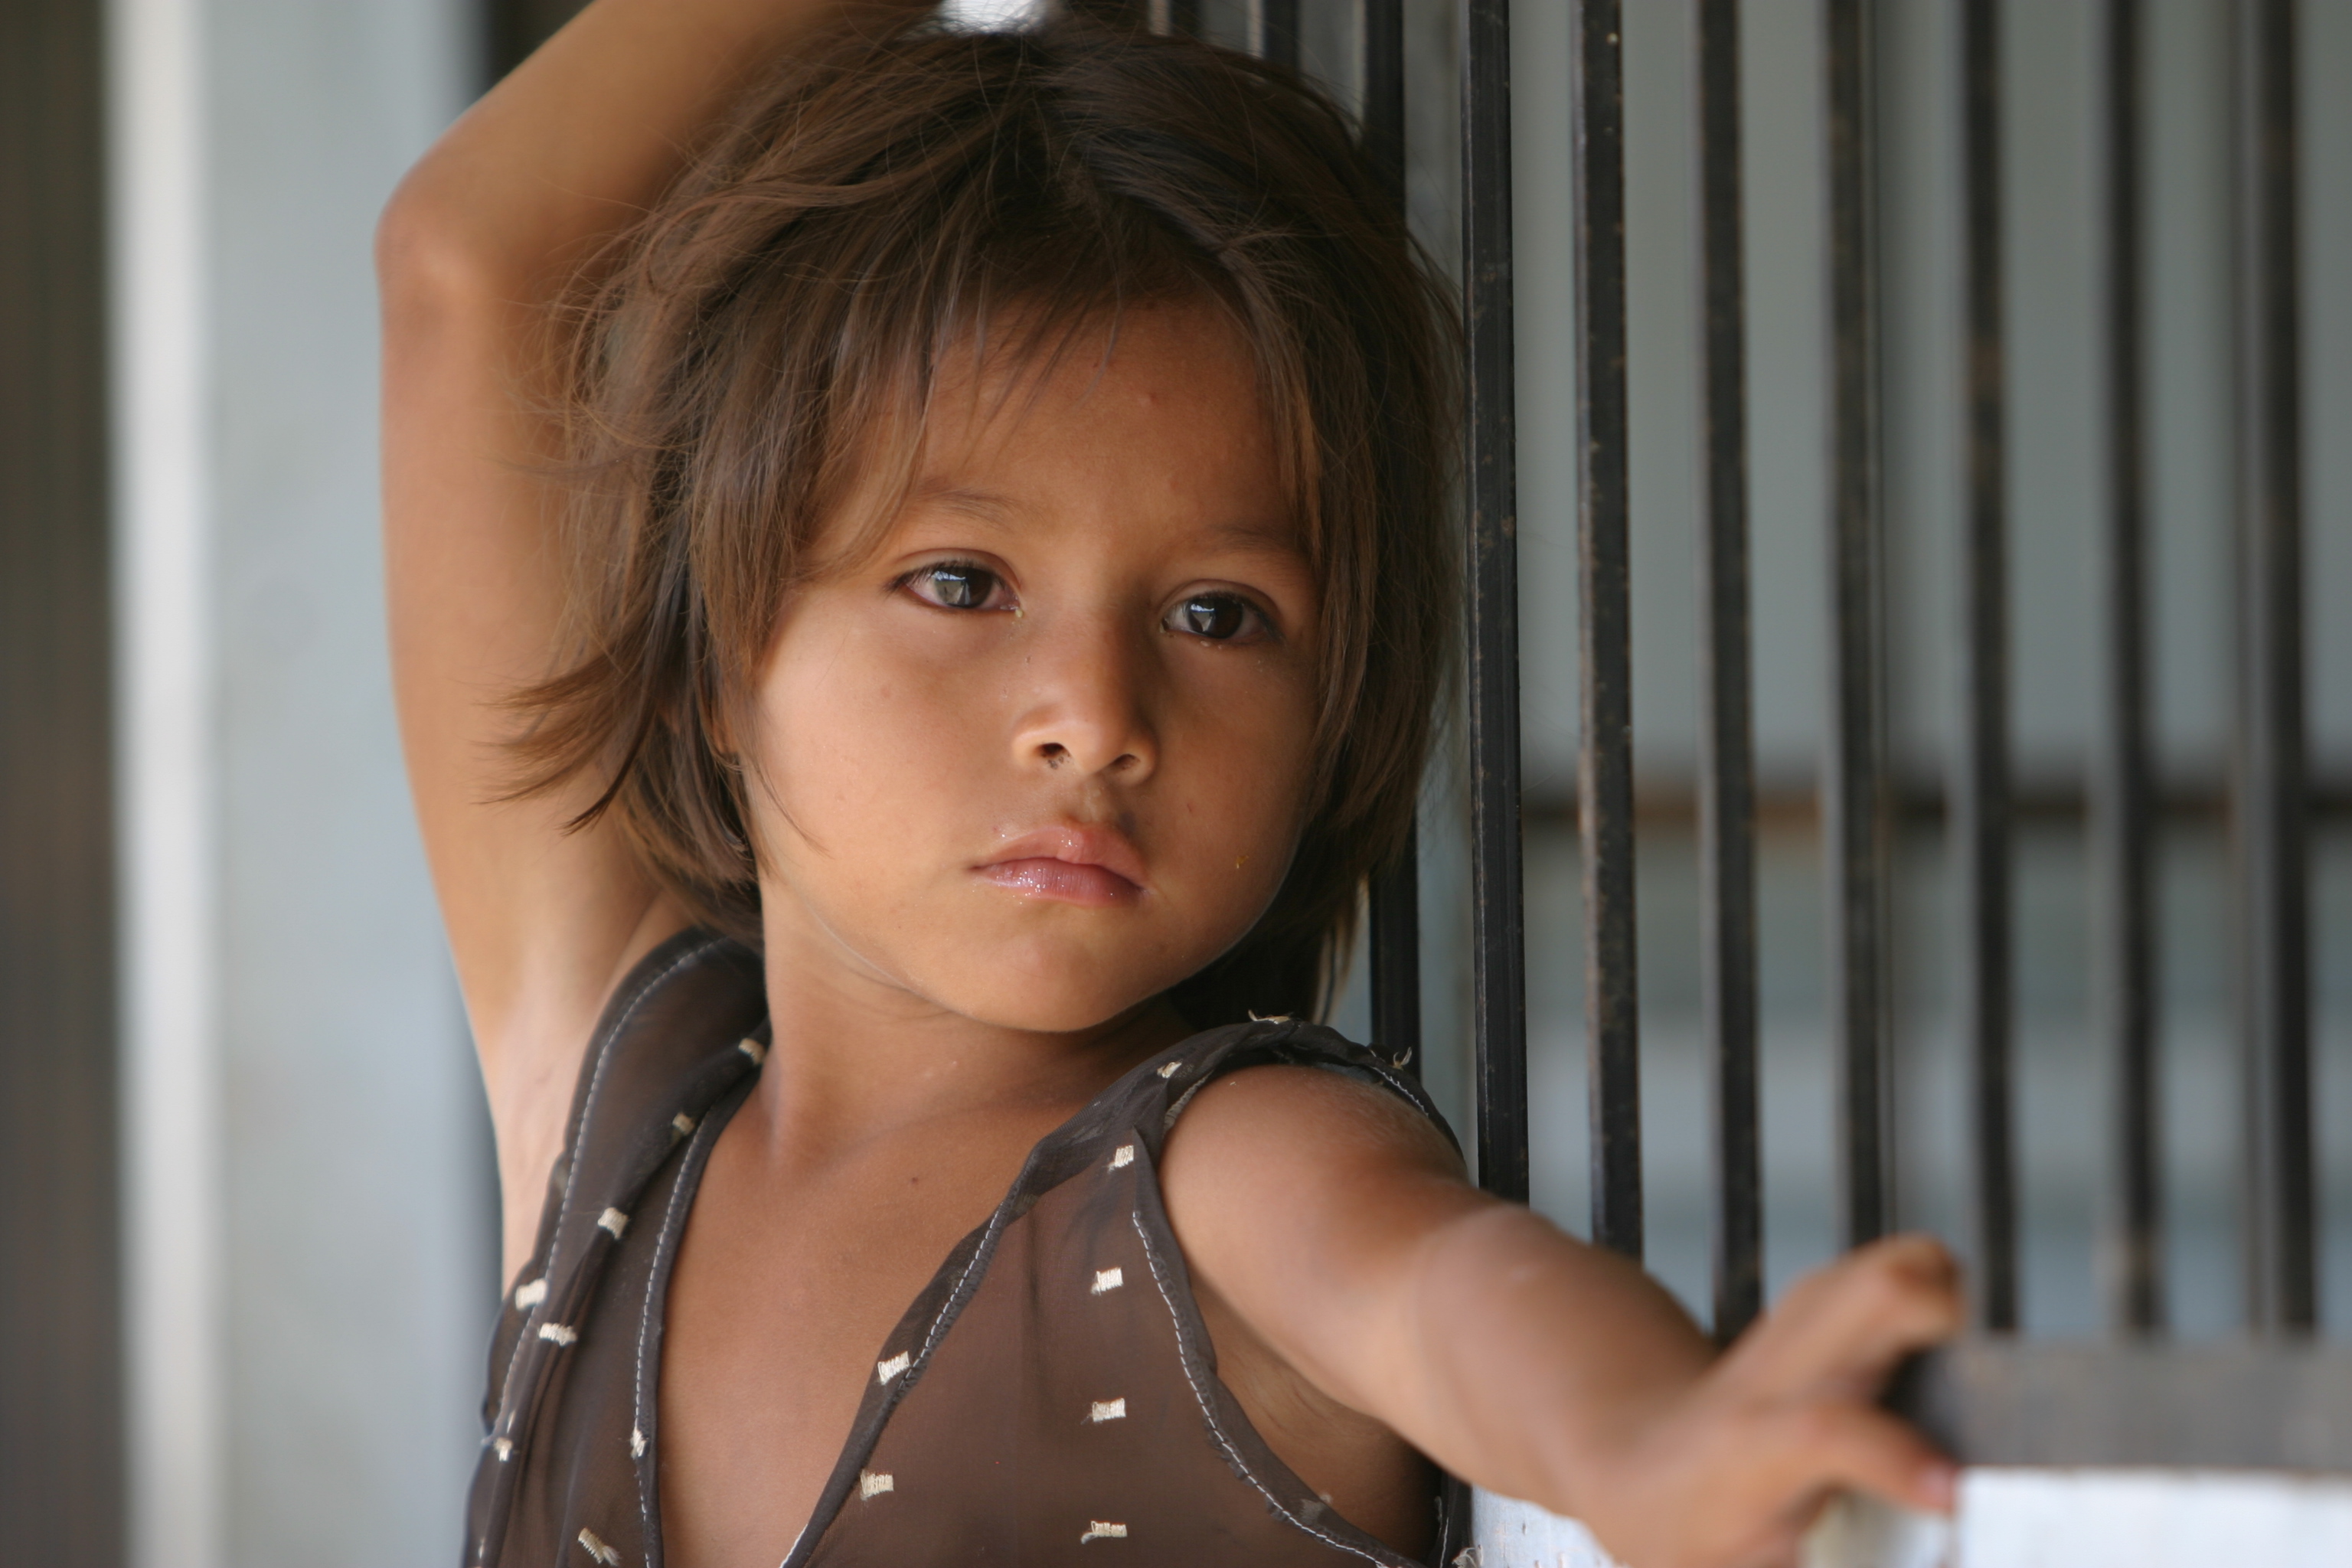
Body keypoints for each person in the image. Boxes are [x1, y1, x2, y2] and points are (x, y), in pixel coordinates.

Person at [377, 5, 1962, 1565]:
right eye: (960, 582)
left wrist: (1646, 1443)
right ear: (724, 650)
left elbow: (1448, 1296)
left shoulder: (1219, 1171)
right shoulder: (619, 1107)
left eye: (1216, 615)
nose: (1096, 716)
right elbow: (469, 265)